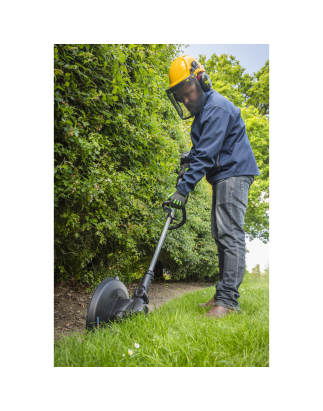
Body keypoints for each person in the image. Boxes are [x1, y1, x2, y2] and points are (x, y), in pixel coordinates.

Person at [165, 55, 260, 318]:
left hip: (234, 173)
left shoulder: (216, 108)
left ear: (202, 81)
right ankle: (222, 295)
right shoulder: (206, 113)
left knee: (229, 234)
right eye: (181, 97)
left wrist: (183, 189)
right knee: (221, 235)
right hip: (223, 175)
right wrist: (188, 159)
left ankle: (228, 302)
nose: (186, 100)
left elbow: (206, 155)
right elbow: (202, 151)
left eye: (189, 93)